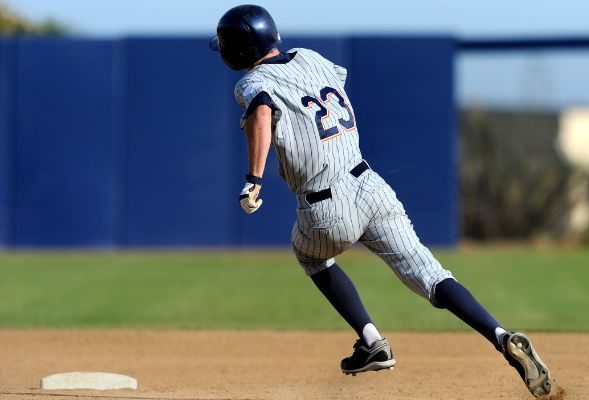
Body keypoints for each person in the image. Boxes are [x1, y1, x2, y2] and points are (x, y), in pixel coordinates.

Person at [210, 4, 552, 397]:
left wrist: (253, 179)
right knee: (431, 274)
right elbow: (330, 88)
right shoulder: (310, 57)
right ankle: (501, 335)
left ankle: (371, 340)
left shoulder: (250, 83)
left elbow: (262, 109)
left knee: (310, 255)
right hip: (370, 185)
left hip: (326, 206)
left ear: (237, 48)